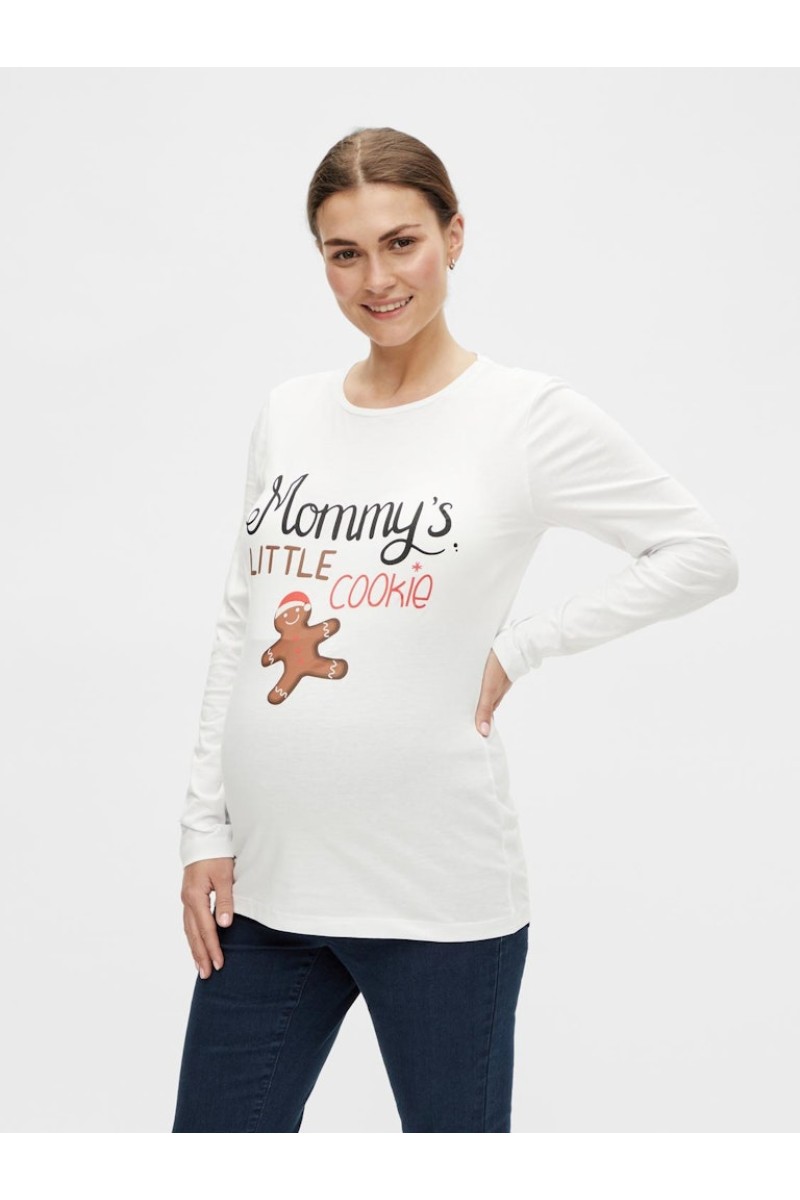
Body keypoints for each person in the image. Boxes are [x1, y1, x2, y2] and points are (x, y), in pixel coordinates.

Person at [171, 126, 739, 1134]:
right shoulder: (288, 415)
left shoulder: (523, 417)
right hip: (265, 892)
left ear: (454, 236)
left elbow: (699, 553)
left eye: (402, 243)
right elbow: (237, 624)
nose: (376, 280)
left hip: (434, 900)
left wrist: (522, 647)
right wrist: (202, 829)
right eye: (344, 253)